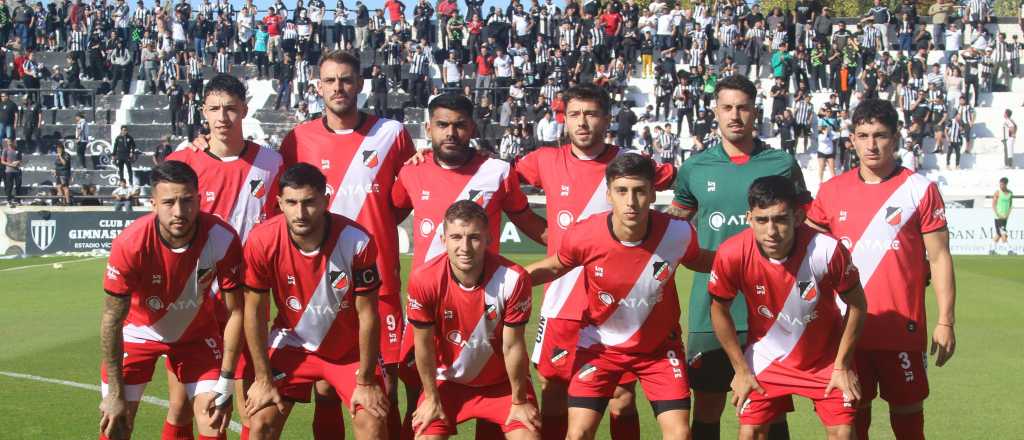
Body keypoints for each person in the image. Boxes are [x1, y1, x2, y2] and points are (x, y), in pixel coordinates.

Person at [514, 84, 676, 440]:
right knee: (553, 388)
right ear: (564, 120)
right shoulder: (543, 160)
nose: (582, 122)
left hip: (614, 302)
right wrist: (545, 235)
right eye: (574, 114)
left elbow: (676, 178)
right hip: (561, 299)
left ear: (606, 119)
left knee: (621, 395)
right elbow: (503, 186)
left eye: (591, 114)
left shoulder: (629, 164)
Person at [526, 153, 713, 440]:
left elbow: (700, 260)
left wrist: (751, 260)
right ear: (608, 194)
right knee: (577, 434)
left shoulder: (677, 233)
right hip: (599, 348)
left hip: (659, 351)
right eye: (622, 191)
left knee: (680, 435)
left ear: (653, 193)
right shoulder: (585, 234)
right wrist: (501, 283)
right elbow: (552, 267)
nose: (631, 201)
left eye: (639, 191)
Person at [276, 50, 415, 438]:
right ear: (318, 86)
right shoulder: (299, 139)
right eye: (331, 80)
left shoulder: (391, 134)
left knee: (382, 389)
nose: (339, 87)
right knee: (325, 388)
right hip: (317, 285)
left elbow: (398, 204)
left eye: (347, 79)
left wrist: (375, 231)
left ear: (360, 84)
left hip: (378, 282)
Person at [391, 92, 546, 438]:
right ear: (428, 128)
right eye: (443, 125)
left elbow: (526, 220)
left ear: (472, 127)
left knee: (491, 409)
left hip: (483, 297)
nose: (451, 132)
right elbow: (387, 215)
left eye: (460, 125)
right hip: (431, 300)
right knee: (418, 401)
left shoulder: (497, 171)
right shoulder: (411, 171)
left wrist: (572, 245)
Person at [664, 74, 810, 440]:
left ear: (755, 112)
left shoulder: (781, 163)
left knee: (770, 409)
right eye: (727, 107)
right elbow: (673, 229)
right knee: (708, 406)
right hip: (711, 307)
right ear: (715, 112)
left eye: (743, 107)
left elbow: (806, 223)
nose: (735, 115)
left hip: (772, 305)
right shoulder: (695, 168)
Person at [806, 99, 957, 440]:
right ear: (852, 140)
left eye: (880, 135)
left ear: (896, 138)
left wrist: (945, 320)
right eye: (863, 135)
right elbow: (809, 262)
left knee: (907, 420)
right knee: (851, 421)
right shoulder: (830, 192)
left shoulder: (920, 189)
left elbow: (940, 257)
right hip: (846, 333)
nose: (871, 145)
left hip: (900, 329)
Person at [164, 73, 285, 438]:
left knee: (252, 403)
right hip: (193, 300)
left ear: (244, 110)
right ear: (203, 111)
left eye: (231, 109)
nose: (222, 117)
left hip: (249, 298)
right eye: (214, 109)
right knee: (185, 405)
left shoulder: (271, 163)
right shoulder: (184, 161)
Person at [709, 175, 868, 440]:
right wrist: (740, 370)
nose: (771, 231)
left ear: (796, 217)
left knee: (843, 433)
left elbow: (858, 305)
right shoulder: (732, 253)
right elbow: (718, 309)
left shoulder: (826, 250)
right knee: (749, 433)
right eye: (762, 220)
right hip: (766, 356)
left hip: (824, 359)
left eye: (780, 219)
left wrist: (842, 365)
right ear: (749, 218)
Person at [98, 160, 245, 440]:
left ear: (199, 199)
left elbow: (236, 311)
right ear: (153, 203)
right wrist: (115, 394)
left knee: (213, 419)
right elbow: (112, 320)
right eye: (168, 202)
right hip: (137, 333)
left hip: (196, 336)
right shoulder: (130, 244)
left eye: (187, 201)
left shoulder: (222, 238)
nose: (179, 212)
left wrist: (226, 381)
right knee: (116, 423)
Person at [241, 163, 389, 439]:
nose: (300, 213)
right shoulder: (262, 240)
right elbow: (254, 312)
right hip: (292, 346)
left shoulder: (356, 241)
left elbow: (368, 315)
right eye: (292, 203)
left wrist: (366, 381)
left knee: (373, 424)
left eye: (309, 202)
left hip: (348, 352)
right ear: (279, 203)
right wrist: (263, 379)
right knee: (260, 422)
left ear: (326, 200)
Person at [406, 200, 541, 439]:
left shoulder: (513, 278)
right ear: (443, 240)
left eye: (474, 237)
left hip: (502, 386)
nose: (465, 247)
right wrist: (430, 397)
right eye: (456, 237)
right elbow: (424, 345)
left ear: (489, 239)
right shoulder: (424, 279)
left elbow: (513, 346)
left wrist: (519, 401)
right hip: (446, 382)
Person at [993, 177, 1012, 253]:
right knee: (1003, 233)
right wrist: (998, 214)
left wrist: (1007, 215)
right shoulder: (997, 192)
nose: (1000, 186)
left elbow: (1010, 205)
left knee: (998, 234)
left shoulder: (1010, 193)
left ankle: (992, 249)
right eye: (1000, 184)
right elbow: (993, 205)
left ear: (1006, 184)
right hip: (998, 217)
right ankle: (1009, 250)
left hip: (1005, 217)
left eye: (1002, 184)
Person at [2, 138, 22, 206]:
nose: (10, 143)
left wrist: (18, 162)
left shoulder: (18, 150)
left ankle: (18, 200)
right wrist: (10, 164)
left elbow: (21, 160)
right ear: (7, 143)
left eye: (11, 141)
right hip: (9, 171)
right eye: (9, 142)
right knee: (9, 186)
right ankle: (9, 200)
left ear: (14, 142)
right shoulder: (5, 150)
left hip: (17, 170)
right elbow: (2, 161)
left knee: (18, 186)